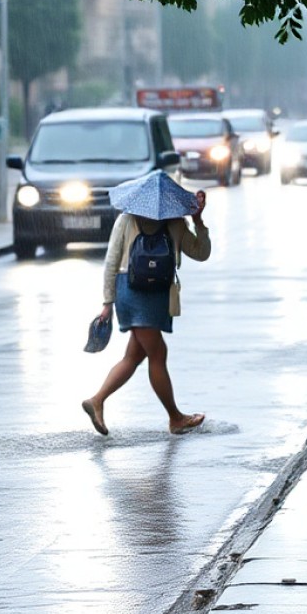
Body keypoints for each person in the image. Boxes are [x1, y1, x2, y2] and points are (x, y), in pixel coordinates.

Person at [82, 187, 210, 436]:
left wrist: (198, 221)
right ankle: (175, 418)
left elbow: (200, 253)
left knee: (134, 356)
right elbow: (201, 253)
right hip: (136, 293)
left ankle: (96, 400)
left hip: (142, 294)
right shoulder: (161, 221)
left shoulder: (137, 219)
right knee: (158, 353)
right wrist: (107, 303)